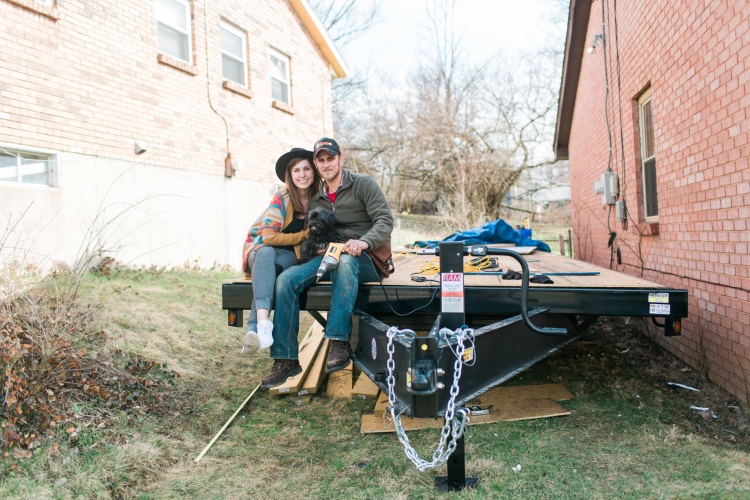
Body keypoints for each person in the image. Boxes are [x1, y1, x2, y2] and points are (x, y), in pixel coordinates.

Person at [261, 137, 394, 389]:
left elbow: (385, 220)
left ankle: (338, 340)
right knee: (286, 280)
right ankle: (285, 358)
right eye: (320, 160)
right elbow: (312, 230)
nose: (326, 164)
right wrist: (317, 245)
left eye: (330, 158)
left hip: (366, 258)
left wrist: (364, 242)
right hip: (330, 256)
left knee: (345, 260)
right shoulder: (317, 199)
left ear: (340, 159)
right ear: (316, 164)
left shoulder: (363, 184)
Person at [240, 148, 320, 354]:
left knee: (272, 272)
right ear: (290, 175)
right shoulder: (281, 196)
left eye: (306, 169)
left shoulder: (318, 199)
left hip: (288, 254)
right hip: (259, 248)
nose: (302, 175)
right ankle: (263, 322)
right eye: (296, 170)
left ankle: (256, 330)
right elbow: (268, 237)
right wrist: (304, 235)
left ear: (314, 171)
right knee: (266, 255)